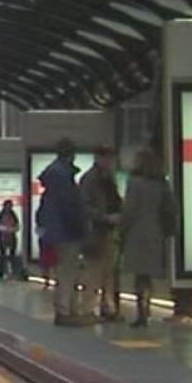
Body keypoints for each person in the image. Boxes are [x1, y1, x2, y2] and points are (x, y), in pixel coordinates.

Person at [119, 149, 179, 328]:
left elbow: (129, 210)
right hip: (155, 232)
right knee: (147, 273)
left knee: (139, 274)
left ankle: (142, 312)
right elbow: (171, 207)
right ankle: (147, 306)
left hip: (137, 232)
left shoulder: (134, 183)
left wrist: (122, 230)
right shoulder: (161, 184)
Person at [36, 139, 89, 325]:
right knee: (68, 271)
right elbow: (70, 206)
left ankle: (68, 310)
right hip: (66, 230)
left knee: (64, 271)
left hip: (56, 230)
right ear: (71, 153)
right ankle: (66, 312)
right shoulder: (63, 176)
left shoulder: (53, 176)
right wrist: (79, 228)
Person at [80, 146, 124, 321]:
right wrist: (105, 217)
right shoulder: (91, 179)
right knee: (94, 272)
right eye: (107, 158)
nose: (110, 163)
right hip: (95, 231)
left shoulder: (107, 178)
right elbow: (85, 207)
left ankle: (108, 307)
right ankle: (88, 309)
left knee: (108, 272)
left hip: (108, 230)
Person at [0, 200, 20, 280]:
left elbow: (17, 226)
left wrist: (11, 229)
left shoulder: (13, 215)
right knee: (2, 256)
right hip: (3, 237)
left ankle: (13, 272)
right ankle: (2, 272)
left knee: (12, 256)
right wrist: (7, 229)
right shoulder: (1, 215)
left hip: (11, 236)